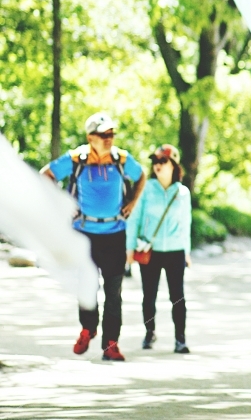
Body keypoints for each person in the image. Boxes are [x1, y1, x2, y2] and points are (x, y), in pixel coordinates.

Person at [41, 112, 146, 361]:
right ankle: (88, 328)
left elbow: (141, 176)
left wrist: (132, 201)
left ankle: (111, 344)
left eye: (111, 134)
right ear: (90, 137)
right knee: (86, 285)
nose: (109, 138)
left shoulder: (121, 159)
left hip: (115, 233)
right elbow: (46, 174)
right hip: (84, 233)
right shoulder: (76, 159)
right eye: (103, 134)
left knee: (113, 290)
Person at [125, 144, 192, 354]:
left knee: (177, 296)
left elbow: (186, 223)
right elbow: (134, 219)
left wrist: (187, 252)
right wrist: (129, 249)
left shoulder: (182, 193)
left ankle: (180, 339)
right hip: (150, 251)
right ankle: (149, 332)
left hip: (175, 251)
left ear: (174, 165)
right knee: (149, 295)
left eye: (163, 161)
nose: (158, 165)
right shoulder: (146, 189)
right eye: (155, 161)